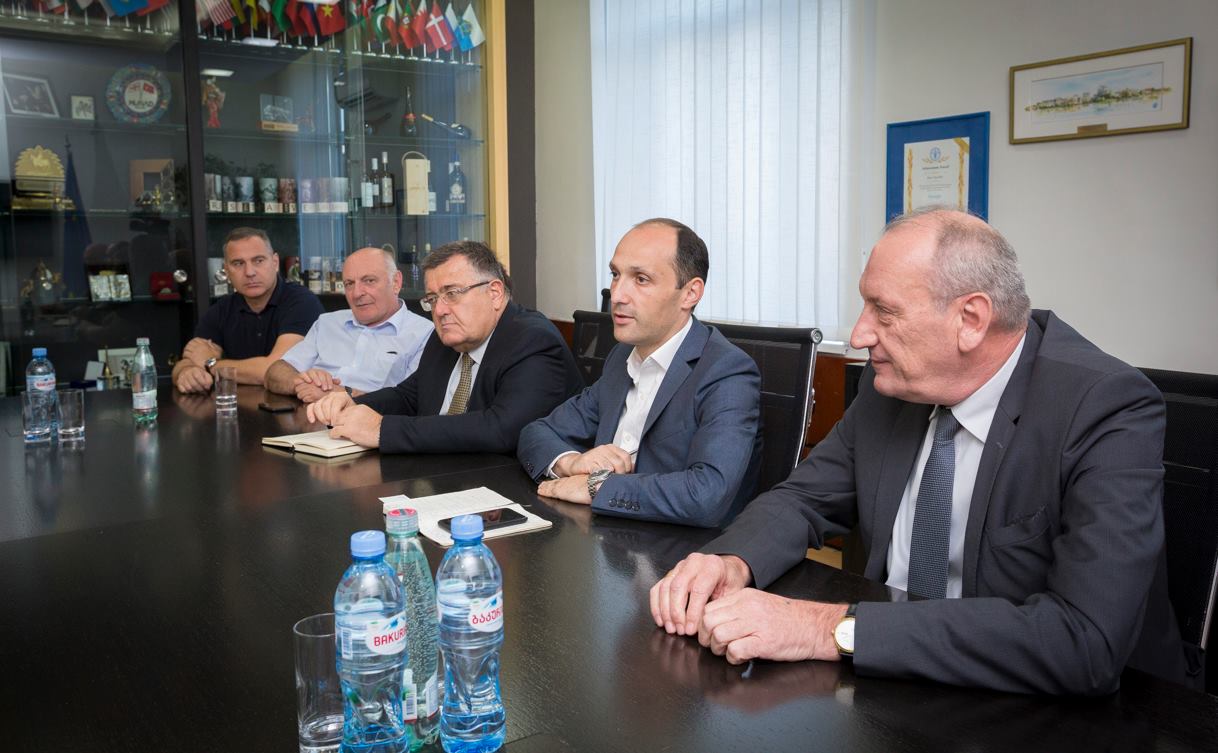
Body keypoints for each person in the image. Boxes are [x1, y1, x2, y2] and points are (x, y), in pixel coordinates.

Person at [650, 207, 1190, 695]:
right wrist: (731, 561)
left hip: (1072, 713)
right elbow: (802, 500)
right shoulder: (891, 387)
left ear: (970, 320)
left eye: (884, 311)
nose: (860, 335)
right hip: (893, 688)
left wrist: (827, 627)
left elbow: (1083, 640)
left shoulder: (1104, 408)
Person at [517, 218, 762, 527]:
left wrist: (595, 486)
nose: (617, 295)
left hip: (674, 546)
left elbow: (707, 494)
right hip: (601, 532)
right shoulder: (622, 356)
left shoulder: (726, 372)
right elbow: (536, 433)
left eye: (641, 279)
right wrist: (571, 463)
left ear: (690, 293)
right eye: (615, 275)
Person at [307, 241, 583, 454]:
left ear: (495, 293)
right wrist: (352, 405)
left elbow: (501, 430)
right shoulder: (449, 338)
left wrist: (381, 429)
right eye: (432, 298)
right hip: (447, 474)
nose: (439, 310)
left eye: (452, 294)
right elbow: (409, 396)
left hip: (514, 488)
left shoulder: (533, 341)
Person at [264, 247, 432, 403]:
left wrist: (340, 394)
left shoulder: (424, 334)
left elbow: (411, 402)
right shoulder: (326, 323)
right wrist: (303, 383)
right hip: (306, 416)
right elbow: (275, 372)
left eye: (369, 281)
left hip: (371, 422)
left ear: (396, 282)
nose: (357, 293)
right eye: (349, 284)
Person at [173, 228, 322, 393]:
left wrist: (210, 364)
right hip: (234, 405)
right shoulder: (222, 309)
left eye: (258, 261)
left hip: (297, 406)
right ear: (226, 270)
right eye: (238, 263)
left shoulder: (301, 302)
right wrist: (186, 373)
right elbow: (190, 358)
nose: (249, 272)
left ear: (275, 263)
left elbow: (274, 371)